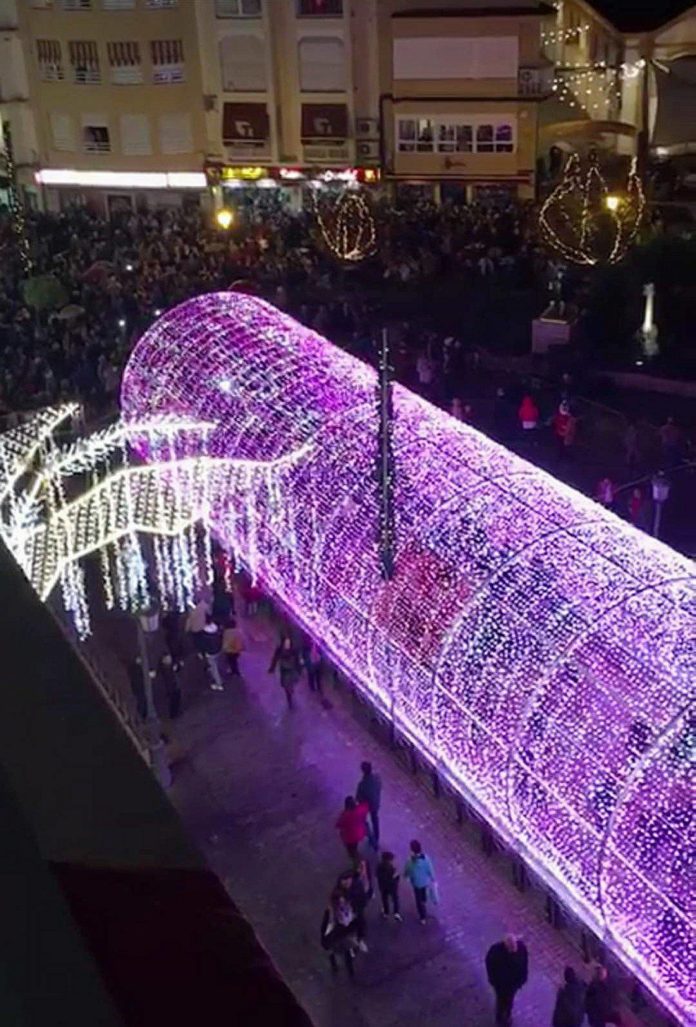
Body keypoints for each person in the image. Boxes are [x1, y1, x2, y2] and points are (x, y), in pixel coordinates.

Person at [485, 933, 529, 1027]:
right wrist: (493, 981)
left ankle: (507, 1015)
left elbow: (524, 964)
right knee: (501, 1000)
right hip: (501, 985)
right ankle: (500, 1017)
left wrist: (522, 979)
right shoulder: (496, 952)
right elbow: (490, 966)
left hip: (513, 984)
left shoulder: (521, 948)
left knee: (509, 1000)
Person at [320, 889, 357, 980]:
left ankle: (350, 970)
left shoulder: (346, 907)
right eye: (340, 899)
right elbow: (325, 924)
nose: (342, 900)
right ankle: (335, 965)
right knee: (334, 950)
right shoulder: (331, 911)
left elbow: (349, 918)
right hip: (335, 933)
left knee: (346, 951)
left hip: (343, 933)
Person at [337, 863, 371, 952]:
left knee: (360, 924)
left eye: (346, 882)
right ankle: (351, 943)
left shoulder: (357, 885)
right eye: (343, 883)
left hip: (357, 909)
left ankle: (359, 940)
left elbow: (362, 897)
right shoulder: (341, 890)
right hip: (348, 911)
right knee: (348, 926)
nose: (345, 885)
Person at [403, 839, 436, 924]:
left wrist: (406, 875)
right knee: (423, 894)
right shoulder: (426, 858)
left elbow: (407, 870)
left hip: (416, 883)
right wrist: (433, 878)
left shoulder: (410, 861)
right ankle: (424, 903)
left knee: (418, 899)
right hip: (425, 882)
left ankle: (422, 917)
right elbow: (430, 869)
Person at [268, 634, 302, 709]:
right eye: (286, 643)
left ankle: (290, 691)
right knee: (286, 686)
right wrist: (272, 668)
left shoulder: (294, 650)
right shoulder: (279, 649)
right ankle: (289, 697)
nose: (287, 644)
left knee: (291, 683)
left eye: (288, 643)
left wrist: (299, 669)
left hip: (292, 670)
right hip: (284, 671)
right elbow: (275, 658)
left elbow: (297, 660)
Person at [356, 760, 382, 849]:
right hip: (376, 803)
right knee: (375, 820)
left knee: (363, 821)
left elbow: (358, 798)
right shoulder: (377, 778)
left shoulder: (362, 785)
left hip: (366, 806)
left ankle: (372, 840)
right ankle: (376, 837)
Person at [200, 615, 224, 691]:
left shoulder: (204, 633)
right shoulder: (217, 629)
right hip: (218, 650)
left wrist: (203, 652)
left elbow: (204, 645)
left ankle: (218, 683)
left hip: (210, 652)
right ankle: (219, 678)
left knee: (214, 668)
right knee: (216, 665)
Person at [376, 850, 401, 921]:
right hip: (392, 887)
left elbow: (378, 876)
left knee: (384, 899)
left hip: (383, 887)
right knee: (395, 899)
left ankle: (386, 912)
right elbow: (395, 878)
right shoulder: (391, 868)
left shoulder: (379, 866)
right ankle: (396, 912)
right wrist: (395, 876)